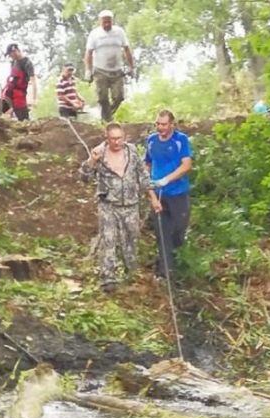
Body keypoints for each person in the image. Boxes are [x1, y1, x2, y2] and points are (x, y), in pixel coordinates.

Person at [80, 123, 152, 293]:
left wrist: (151, 194)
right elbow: (85, 178)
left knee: (132, 236)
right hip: (108, 204)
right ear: (107, 138)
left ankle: (131, 271)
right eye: (113, 138)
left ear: (124, 137)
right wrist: (91, 161)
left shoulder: (132, 151)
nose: (116, 142)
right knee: (108, 239)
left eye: (119, 138)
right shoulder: (99, 153)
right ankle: (108, 278)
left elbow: (142, 174)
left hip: (130, 203)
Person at [144, 110, 193, 283]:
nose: (160, 127)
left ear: (172, 124)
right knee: (162, 232)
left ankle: (177, 262)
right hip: (158, 195)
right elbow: (147, 166)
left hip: (178, 193)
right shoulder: (151, 141)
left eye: (164, 124)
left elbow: (187, 165)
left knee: (179, 229)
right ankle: (166, 272)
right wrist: (151, 192)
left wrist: (166, 180)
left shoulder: (181, 140)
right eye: (158, 124)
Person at [84, 10, 135, 122]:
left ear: (112, 21)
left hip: (117, 70)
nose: (107, 25)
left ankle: (107, 116)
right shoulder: (95, 34)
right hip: (100, 70)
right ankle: (106, 119)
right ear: (100, 22)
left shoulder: (119, 32)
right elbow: (88, 53)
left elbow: (127, 50)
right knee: (102, 98)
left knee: (119, 97)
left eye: (109, 22)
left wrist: (131, 67)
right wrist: (88, 70)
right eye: (104, 22)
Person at [1, 43, 37, 121]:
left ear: (15, 51)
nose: (11, 57)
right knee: (1, 113)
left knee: (23, 119)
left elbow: (33, 81)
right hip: (9, 93)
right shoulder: (13, 62)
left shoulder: (27, 63)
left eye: (11, 54)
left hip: (19, 95)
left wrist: (34, 99)